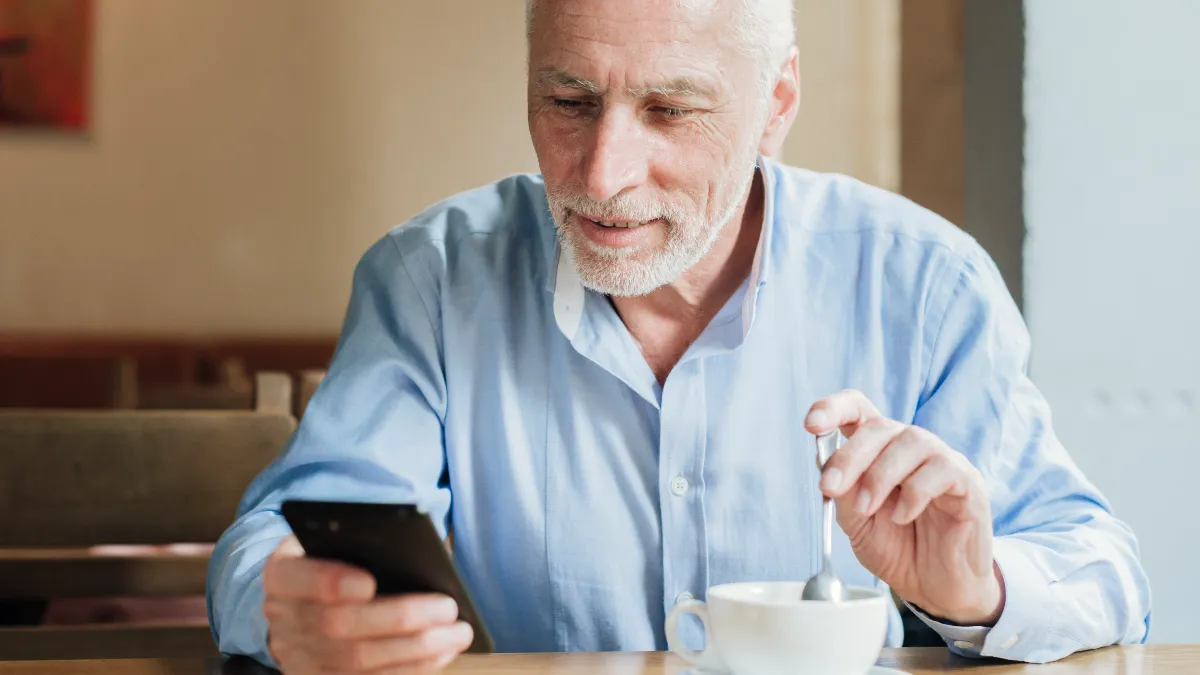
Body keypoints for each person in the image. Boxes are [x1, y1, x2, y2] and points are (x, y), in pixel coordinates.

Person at [207, 0, 1152, 671]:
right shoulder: (429, 279)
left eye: (671, 109)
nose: (606, 173)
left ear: (776, 104)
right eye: (569, 102)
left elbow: (1104, 568)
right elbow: (271, 544)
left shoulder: (924, 282)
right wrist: (288, 607)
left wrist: (977, 590)